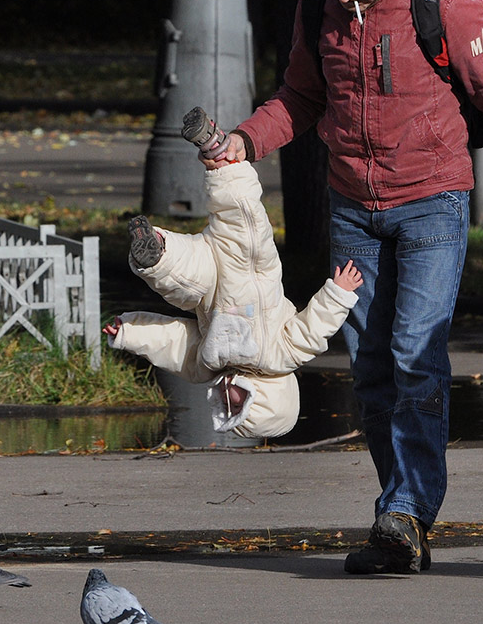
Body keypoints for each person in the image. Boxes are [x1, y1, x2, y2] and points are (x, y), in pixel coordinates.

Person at [203, 0, 483, 573]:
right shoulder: (315, 2)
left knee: (417, 353)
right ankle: (402, 515)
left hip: (433, 205)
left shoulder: (448, 2)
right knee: (371, 368)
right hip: (352, 209)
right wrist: (245, 141)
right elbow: (301, 97)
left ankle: (406, 512)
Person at [103, 107, 363, 439]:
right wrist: (339, 293)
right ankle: (217, 149)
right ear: (265, 400)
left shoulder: (208, 366)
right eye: (237, 404)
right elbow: (314, 328)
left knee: (180, 280)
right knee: (239, 210)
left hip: (208, 286)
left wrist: (128, 333)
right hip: (248, 263)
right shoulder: (279, 357)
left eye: (225, 408)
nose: (226, 397)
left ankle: (155, 251)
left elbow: (173, 343)